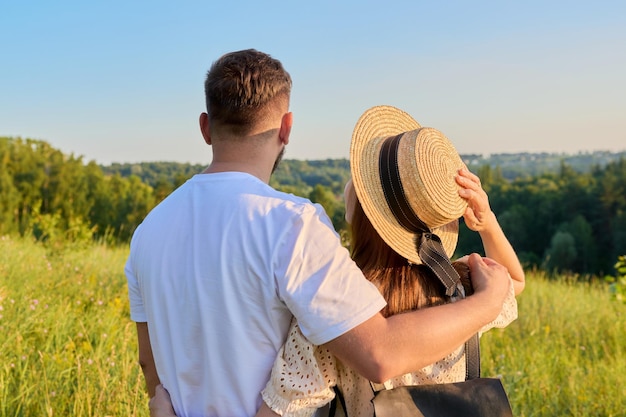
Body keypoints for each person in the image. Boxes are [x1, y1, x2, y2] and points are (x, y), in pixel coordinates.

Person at [125, 50, 512, 417]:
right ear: (287, 128)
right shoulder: (293, 223)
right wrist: (487, 301)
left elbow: (150, 364)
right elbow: (378, 353)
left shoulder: (146, 232)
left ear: (205, 127)